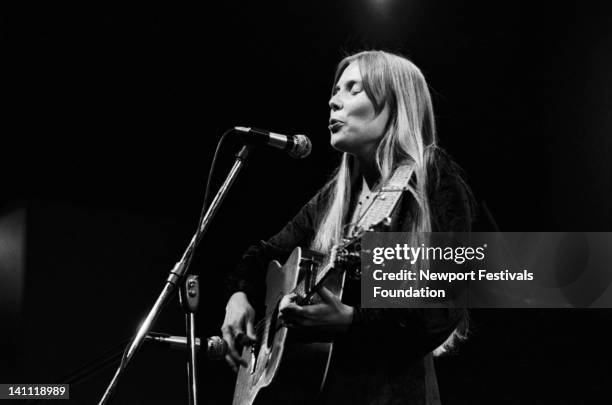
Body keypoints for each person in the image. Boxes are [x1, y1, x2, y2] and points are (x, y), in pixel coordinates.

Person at [221, 50, 475, 404]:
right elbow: (265, 254)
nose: (333, 101)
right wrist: (239, 296)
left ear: (395, 103)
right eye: (336, 90)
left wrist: (354, 322)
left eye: (353, 89)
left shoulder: (430, 181)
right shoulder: (336, 197)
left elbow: (443, 306)